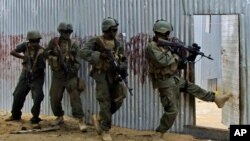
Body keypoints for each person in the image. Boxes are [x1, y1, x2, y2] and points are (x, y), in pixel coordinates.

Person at [144, 19, 232, 141]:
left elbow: (180, 64)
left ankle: (216, 99)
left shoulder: (165, 46)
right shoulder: (152, 47)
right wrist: (178, 53)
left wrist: (190, 56)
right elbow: (163, 61)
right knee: (172, 110)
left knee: (192, 87)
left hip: (173, 78)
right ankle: (158, 134)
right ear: (164, 32)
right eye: (167, 33)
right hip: (165, 82)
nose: (169, 35)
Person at [79, 17, 128, 141]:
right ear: (106, 30)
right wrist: (99, 55)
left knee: (119, 99)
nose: (115, 32)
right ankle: (105, 129)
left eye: (116, 30)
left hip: (114, 75)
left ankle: (100, 116)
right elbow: (83, 52)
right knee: (105, 100)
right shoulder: (96, 41)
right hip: (101, 74)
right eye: (113, 30)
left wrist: (122, 67)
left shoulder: (118, 44)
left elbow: (124, 60)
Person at [45, 22, 87, 132]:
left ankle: (80, 120)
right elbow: (46, 54)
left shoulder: (74, 44)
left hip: (70, 76)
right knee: (54, 98)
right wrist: (53, 53)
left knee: (75, 98)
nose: (67, 34)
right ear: (60, 32)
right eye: (65, 32)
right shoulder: (54, 42)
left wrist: (72, 71)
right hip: (57, 76)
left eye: (69, 32)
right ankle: (59, 116)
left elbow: (78, 62)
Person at [6, 30, 45, 128]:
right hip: (25, 74)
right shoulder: (25, 46)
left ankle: (35, 117)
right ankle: (15, 115)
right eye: (33, 41)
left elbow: (41, 67)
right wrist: (23, 58)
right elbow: (12, 52)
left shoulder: (41, 51)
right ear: (30, 41)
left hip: (37, 76)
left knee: (37, 97)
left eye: (37, 41)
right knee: (18, 94)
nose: (35, 43)